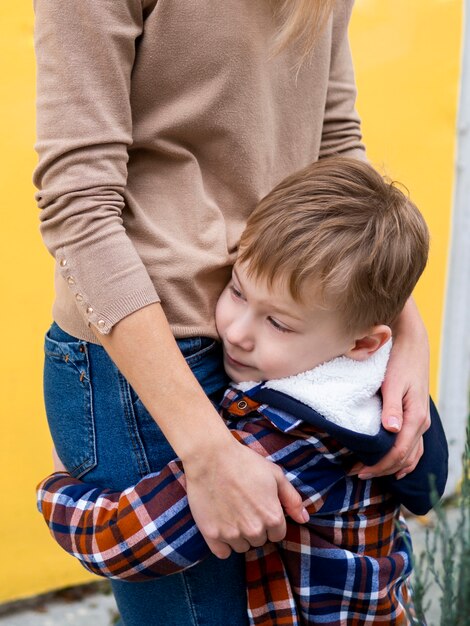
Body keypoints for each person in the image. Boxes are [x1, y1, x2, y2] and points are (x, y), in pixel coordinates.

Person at [34, 1, 431, 623]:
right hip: (154, 350)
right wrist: (207, 450)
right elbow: (77, 205)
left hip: (307, 338)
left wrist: (406, 332)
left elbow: (336, 143)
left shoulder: (330, 379)